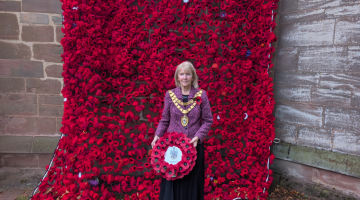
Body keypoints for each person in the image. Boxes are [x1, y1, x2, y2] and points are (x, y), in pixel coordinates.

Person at [151, 61, 213, 200]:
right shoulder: (170, 95)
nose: (185, 77)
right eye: (182, 74)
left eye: (188, 74)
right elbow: (165, 119)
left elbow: (208, 120)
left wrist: (198, 137)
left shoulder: (201, 95)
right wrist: (157, 135)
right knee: (173, 180)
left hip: (194, 145)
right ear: (177, 77)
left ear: (193, 77)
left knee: (191, 181)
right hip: (173, 146)